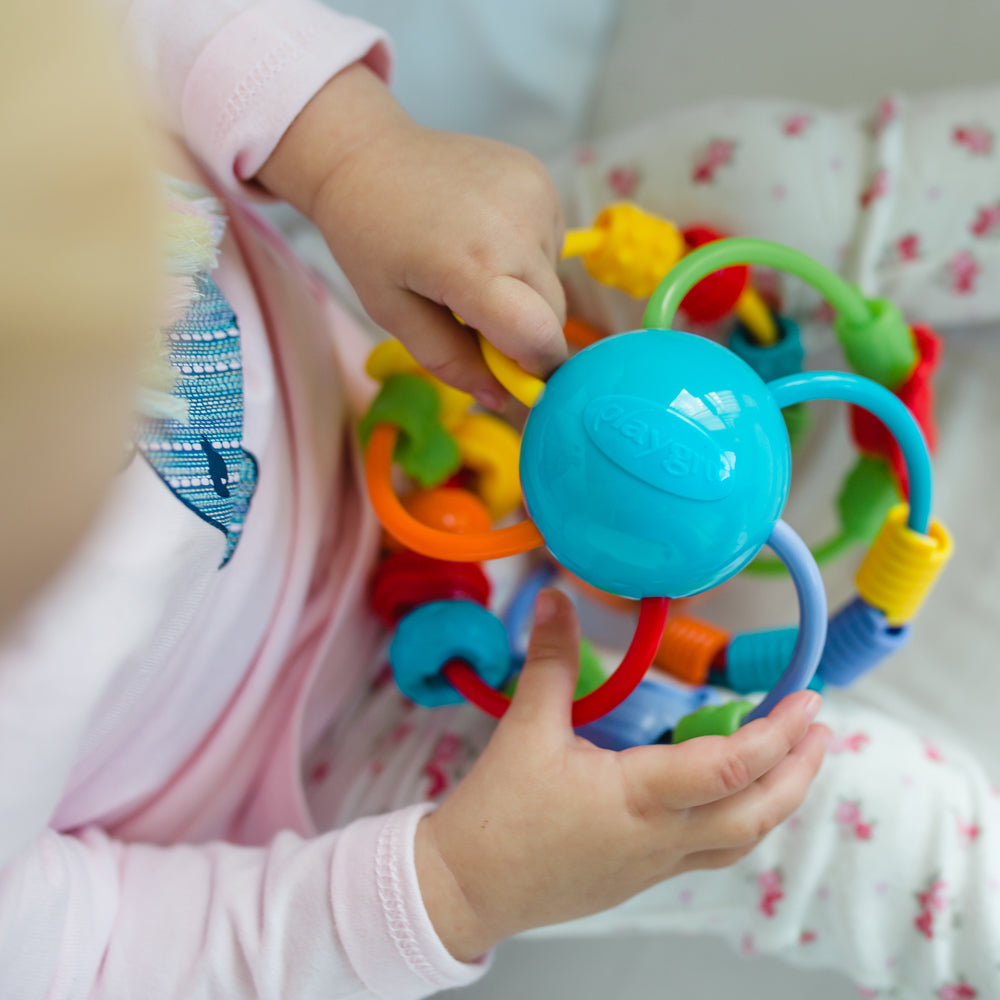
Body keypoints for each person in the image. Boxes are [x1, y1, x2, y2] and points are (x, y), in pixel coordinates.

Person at [0, 1, 829, 997]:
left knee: (752, 181)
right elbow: (94, 956)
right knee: (767, 804)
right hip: (349, 730)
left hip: (419, 346)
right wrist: (455, 884)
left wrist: (351, 155)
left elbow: (116, 29)